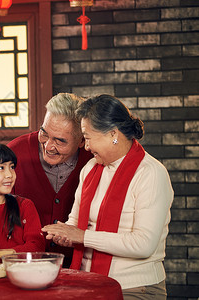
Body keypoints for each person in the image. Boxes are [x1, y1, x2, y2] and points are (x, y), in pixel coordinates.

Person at [41, 94, 173, 300]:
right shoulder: (91, 168)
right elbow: (75, 223)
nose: (85, 146)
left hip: (136, 288)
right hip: (89, 281)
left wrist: (83, 237)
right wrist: (63, 234)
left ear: (113, 134)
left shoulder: (151, 173)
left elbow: (144, 244)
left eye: (88, 137)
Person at [8, 93, 92, 265]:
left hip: (77, 263)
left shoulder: (93, 159)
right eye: (44, 134)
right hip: (22, 262)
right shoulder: (15, 153)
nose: (48, 146)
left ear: (82, 141)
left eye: (60, 141)